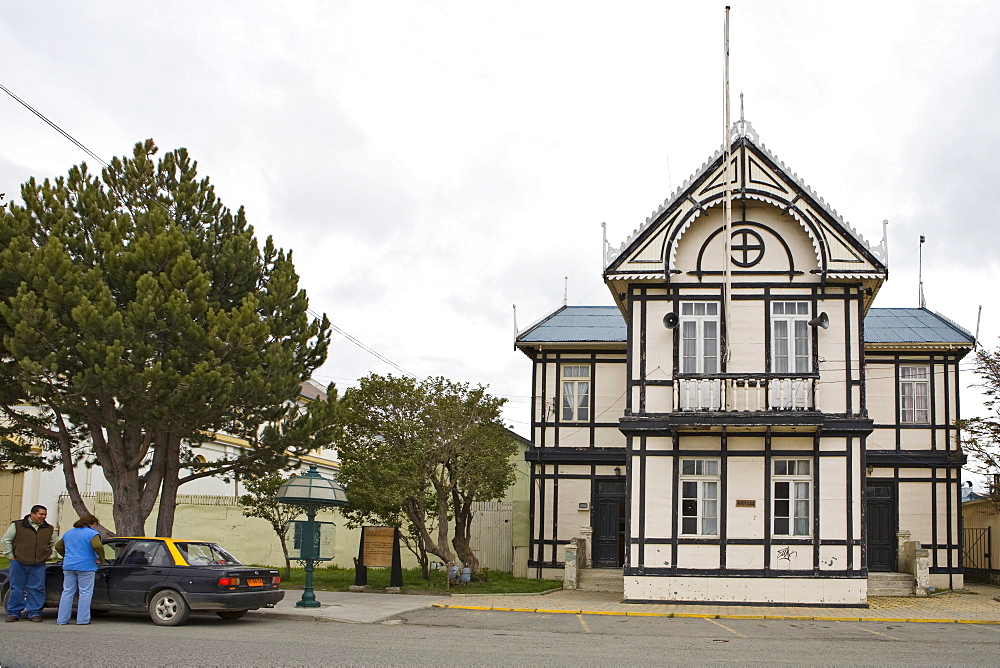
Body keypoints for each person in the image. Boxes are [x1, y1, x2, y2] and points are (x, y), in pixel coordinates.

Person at [1, 505, 57, 622]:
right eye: (41, 514)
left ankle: (35, 612)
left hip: (38, 564)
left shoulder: (49, 529)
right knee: (16, 587)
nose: (43, 517)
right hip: (19, 562)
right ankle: (14, 612)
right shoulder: (17, 525)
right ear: (32, 514)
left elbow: (55, 544)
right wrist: (10, 556)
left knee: (37, 588)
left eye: (45, 515)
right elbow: (6, 540)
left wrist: (51, 556)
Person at [54, 514, 106, 626]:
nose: (95, 527)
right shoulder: (92, 533)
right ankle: (82, 619)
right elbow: (98, 546)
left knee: (67, 592)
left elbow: (58, 546)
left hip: (69, 565)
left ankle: (62, 619)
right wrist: (101, 558)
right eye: (94, 525)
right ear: (91, 523)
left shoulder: (69, 533)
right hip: (86, 565)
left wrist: (67, 556)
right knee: (85, 593)